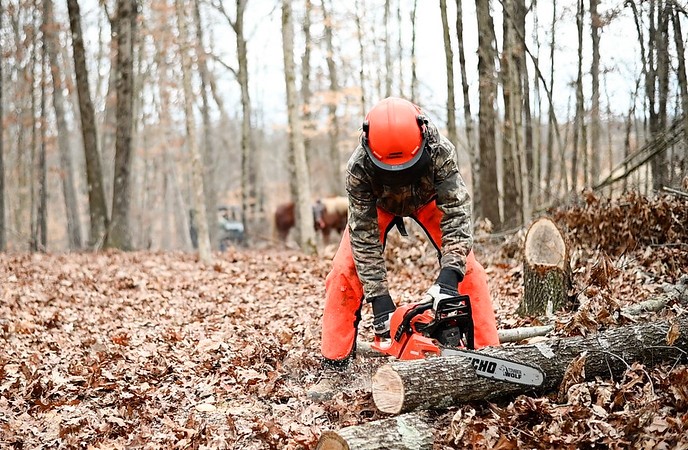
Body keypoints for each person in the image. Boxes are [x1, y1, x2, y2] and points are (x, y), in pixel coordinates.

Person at [320, 96, 500, 369]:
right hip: (379, 206)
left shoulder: (440, 151)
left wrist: (449, 279)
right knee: (343, 270)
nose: (399, 176)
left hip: (429, 201)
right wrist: (380, 301)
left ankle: (489, 356)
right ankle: (333, 365)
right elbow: (363, 236)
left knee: (470, 271)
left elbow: (456, 213)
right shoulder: (358, 168)